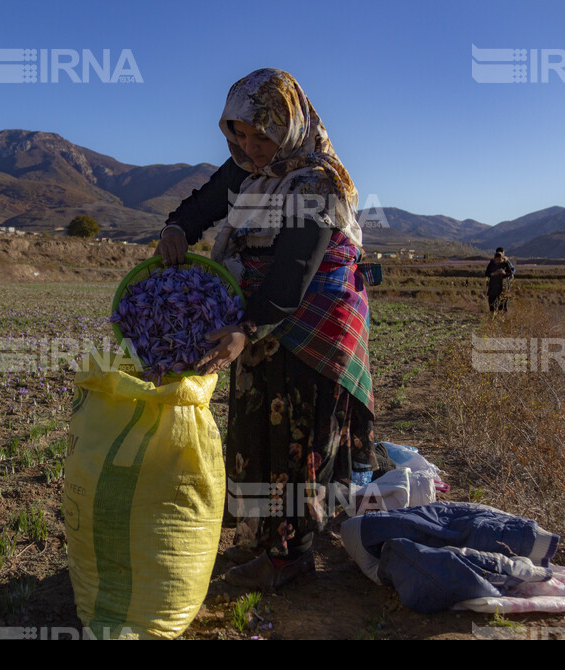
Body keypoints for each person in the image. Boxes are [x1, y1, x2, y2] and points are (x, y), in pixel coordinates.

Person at [156, 68, 384, 591]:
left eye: (263, 136)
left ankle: (292, 555)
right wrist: (176, 229)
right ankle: (265, 540)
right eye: (240, 134)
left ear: (291, 127)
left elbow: (295, 273)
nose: (252, 148)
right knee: (258, 425)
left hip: (312, 318)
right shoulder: (246, 169)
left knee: (296, 439)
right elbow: (201, 207)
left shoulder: (315, 181)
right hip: (259, 312)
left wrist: (247, 327)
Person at [485, 247, 515, 313]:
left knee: (502, 303)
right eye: (497, 259)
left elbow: (511, 272)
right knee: (492, 302)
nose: (498, 260)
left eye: (500, 258)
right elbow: (487, 274)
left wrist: (504, 273)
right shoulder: (491, 264)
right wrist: (493, 274)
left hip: (503, 286)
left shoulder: (506, 263)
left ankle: (501, 317)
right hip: (493, 286)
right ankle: (493, 316)